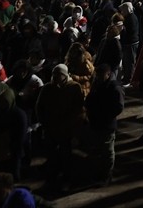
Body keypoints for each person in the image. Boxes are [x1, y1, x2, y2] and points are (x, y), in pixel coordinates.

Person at [35, 64, 84, 194]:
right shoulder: (47, 88)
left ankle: (67, 179)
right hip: (51, 128)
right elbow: (39, 106)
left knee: (66, 155)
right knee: (51, 155)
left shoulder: (74, 87)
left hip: (66, 129)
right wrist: (43, 122)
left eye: (59, 75)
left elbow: (78, 109)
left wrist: (74, 128)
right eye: (54, 74)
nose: (56, 77)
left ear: (65, 75)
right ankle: (51, 179)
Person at [84, 61, 125, 186]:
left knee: (107, 151)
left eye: (101, 75)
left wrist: (105, 115)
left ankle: (106, 176)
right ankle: (98, 174)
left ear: (108, 74)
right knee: (96, 149)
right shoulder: (97, 85)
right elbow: (90, 99)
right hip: (95, 123)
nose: (98, 77)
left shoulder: (114, 87)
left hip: (107, 124)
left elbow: (118, 107)